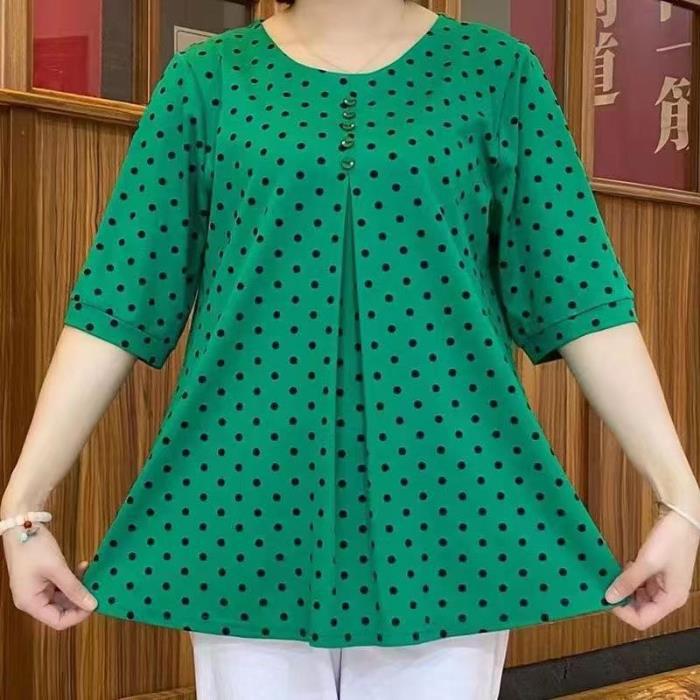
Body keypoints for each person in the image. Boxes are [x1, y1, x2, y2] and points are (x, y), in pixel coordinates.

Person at [2, 1, 700, 698]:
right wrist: (24, 508)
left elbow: (580, 294)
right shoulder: (206, 80)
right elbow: (118, 300)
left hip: (445, 496)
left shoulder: (497, 73)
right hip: (246, 490)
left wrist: (681, 497)